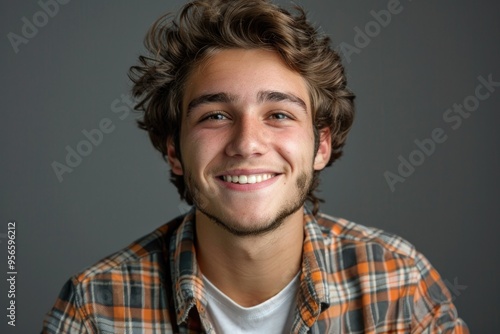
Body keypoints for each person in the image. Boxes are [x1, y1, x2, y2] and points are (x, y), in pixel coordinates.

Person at [42, 0, 469, 333]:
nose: (247, 144)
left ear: (321, 145)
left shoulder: (399, 284)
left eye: (279, 114)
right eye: (215, 116)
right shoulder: (94, 307)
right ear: (174, 151)